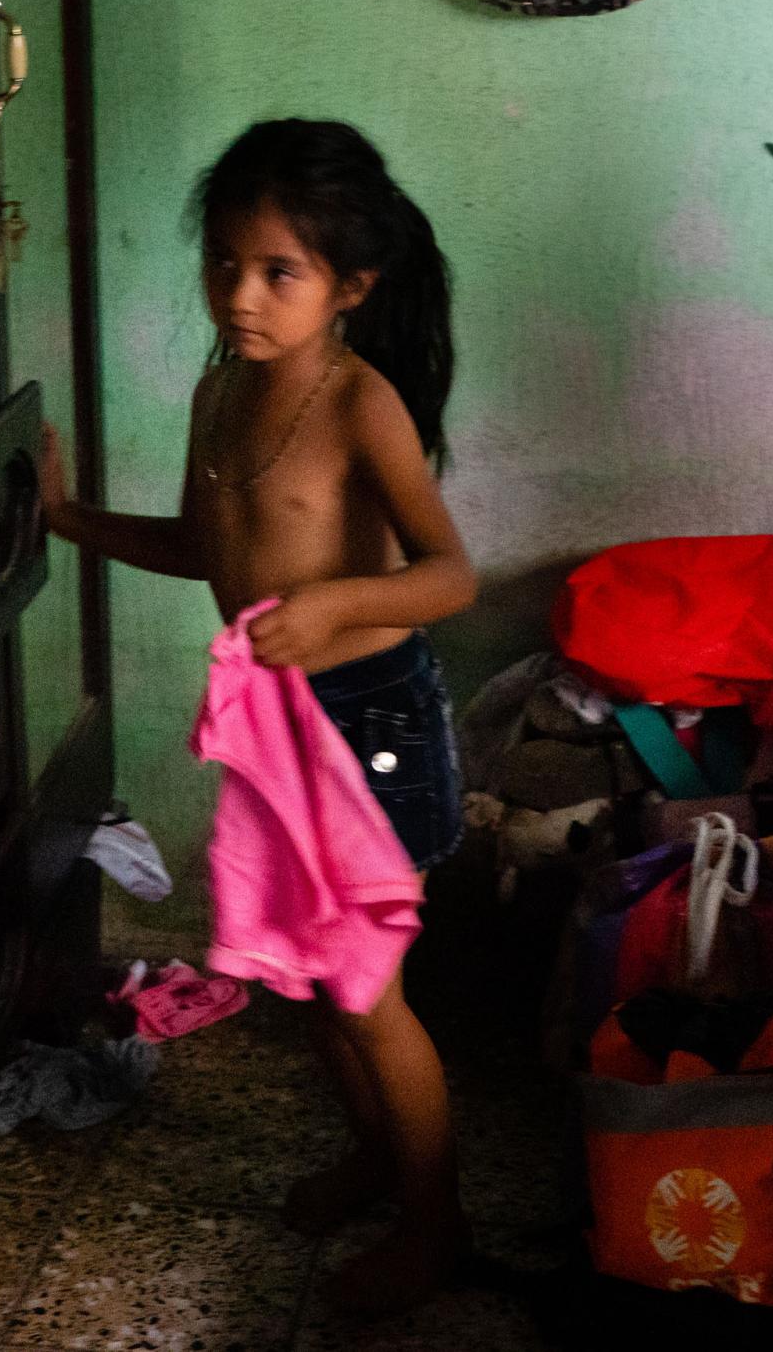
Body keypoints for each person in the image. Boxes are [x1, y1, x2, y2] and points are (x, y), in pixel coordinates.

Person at [38, 118, 478, 1314]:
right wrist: (65, 516)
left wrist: (336, 603)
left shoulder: (358, 402)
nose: (241, 294)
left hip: (367, 714)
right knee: (301, 981)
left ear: (351, 287)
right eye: (224, 263)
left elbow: (448, 574)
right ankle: (378, 1161)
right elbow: (202, 546)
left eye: (278, 272)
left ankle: (436, 1223)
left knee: (366, 991)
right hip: (274, 719)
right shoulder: (218, 390)